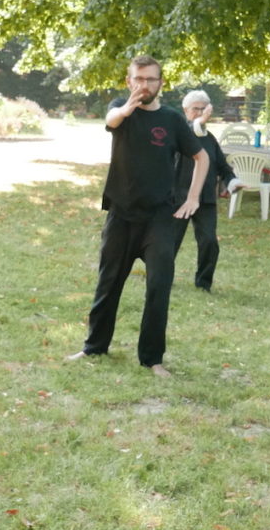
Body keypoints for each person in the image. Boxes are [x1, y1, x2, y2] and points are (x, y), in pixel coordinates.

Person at [66, 56, 209, 377]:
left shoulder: (173, 120)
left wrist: (194, 197)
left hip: (159, 219)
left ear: (161, 83)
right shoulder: (121, 109)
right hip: (120, 215)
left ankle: (152, 358)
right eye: (138, 79)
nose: (144, 85)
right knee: (108, 283)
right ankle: (94, 347)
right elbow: (112, 119)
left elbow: (201, 157)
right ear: (129, 81)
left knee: (159, 287)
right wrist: (126, 110)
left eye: (150, 79)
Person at [172, 90, 242, 292]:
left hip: (205, 198)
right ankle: (161, 278)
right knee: (170, 242)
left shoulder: (209, 138)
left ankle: (203, 283)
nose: (201, 113)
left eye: (204, 109)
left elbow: (222, 166)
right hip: (179, 197)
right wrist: (198, 122)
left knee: (209, 242)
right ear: (186, 111)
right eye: (196, 109)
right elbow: (189, 132)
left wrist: (233, 182)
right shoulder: (179, 132)